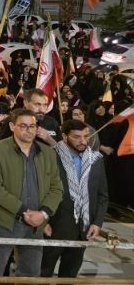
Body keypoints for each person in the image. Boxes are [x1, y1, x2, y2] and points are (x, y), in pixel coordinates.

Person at [0, 108, 64, 280]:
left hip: (36, 225)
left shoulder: (47, 152)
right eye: (23, 126)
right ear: (12, 126)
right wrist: (24, 212)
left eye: (32, 126)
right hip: (4, 222)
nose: (29, 130)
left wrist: (43, 214)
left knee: (30, 275)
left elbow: (57, 188)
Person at [40, 119, 108, 278]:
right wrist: (43, 222)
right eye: (77, 137)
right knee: (42, 273)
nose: (83, 141)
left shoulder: (96, 159)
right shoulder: (50, 156)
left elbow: (102, 195)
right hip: (53, 227)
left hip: (83, 230)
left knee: (70, 276)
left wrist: (97, 223)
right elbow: (40, 192)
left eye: (86, 136)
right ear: (64, 136)